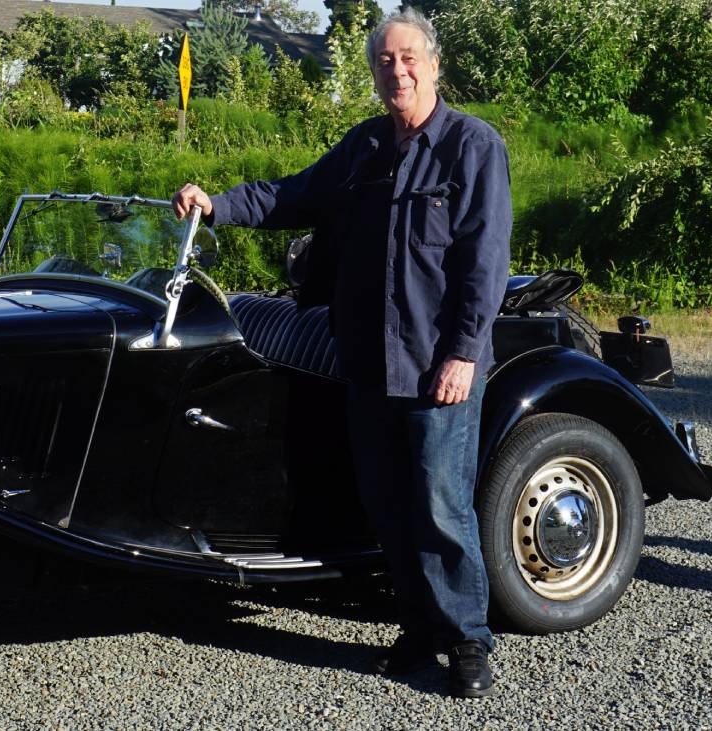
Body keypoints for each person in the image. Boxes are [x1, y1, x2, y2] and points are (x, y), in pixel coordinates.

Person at [172, 7, 511, 699]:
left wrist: (464, 354)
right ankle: (419, 627)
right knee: (386, 506)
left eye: (410, 57)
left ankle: (468, 640)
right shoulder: (362, 151)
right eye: (385, 61)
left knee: (441, 508)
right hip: (368, 365)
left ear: (435, 64)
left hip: (436, 366)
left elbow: (485, 263)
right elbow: (292, 194)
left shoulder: (473, 147)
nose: (398, 70)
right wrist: (217, 204)